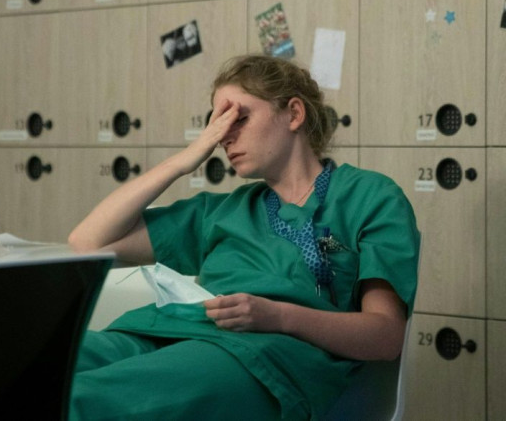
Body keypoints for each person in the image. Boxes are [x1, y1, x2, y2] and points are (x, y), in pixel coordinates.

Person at [68, 54, 420, 419]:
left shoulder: (371, 196)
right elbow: (87, 242)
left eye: (238, 118)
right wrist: (185, 160)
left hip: (257, 357)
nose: (223, 137)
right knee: (35, 367)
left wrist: (279, 316)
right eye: (216, 124)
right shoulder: (222, 211)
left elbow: (385, 335)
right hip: (168, 332)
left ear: (294, 114)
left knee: (85, 399)